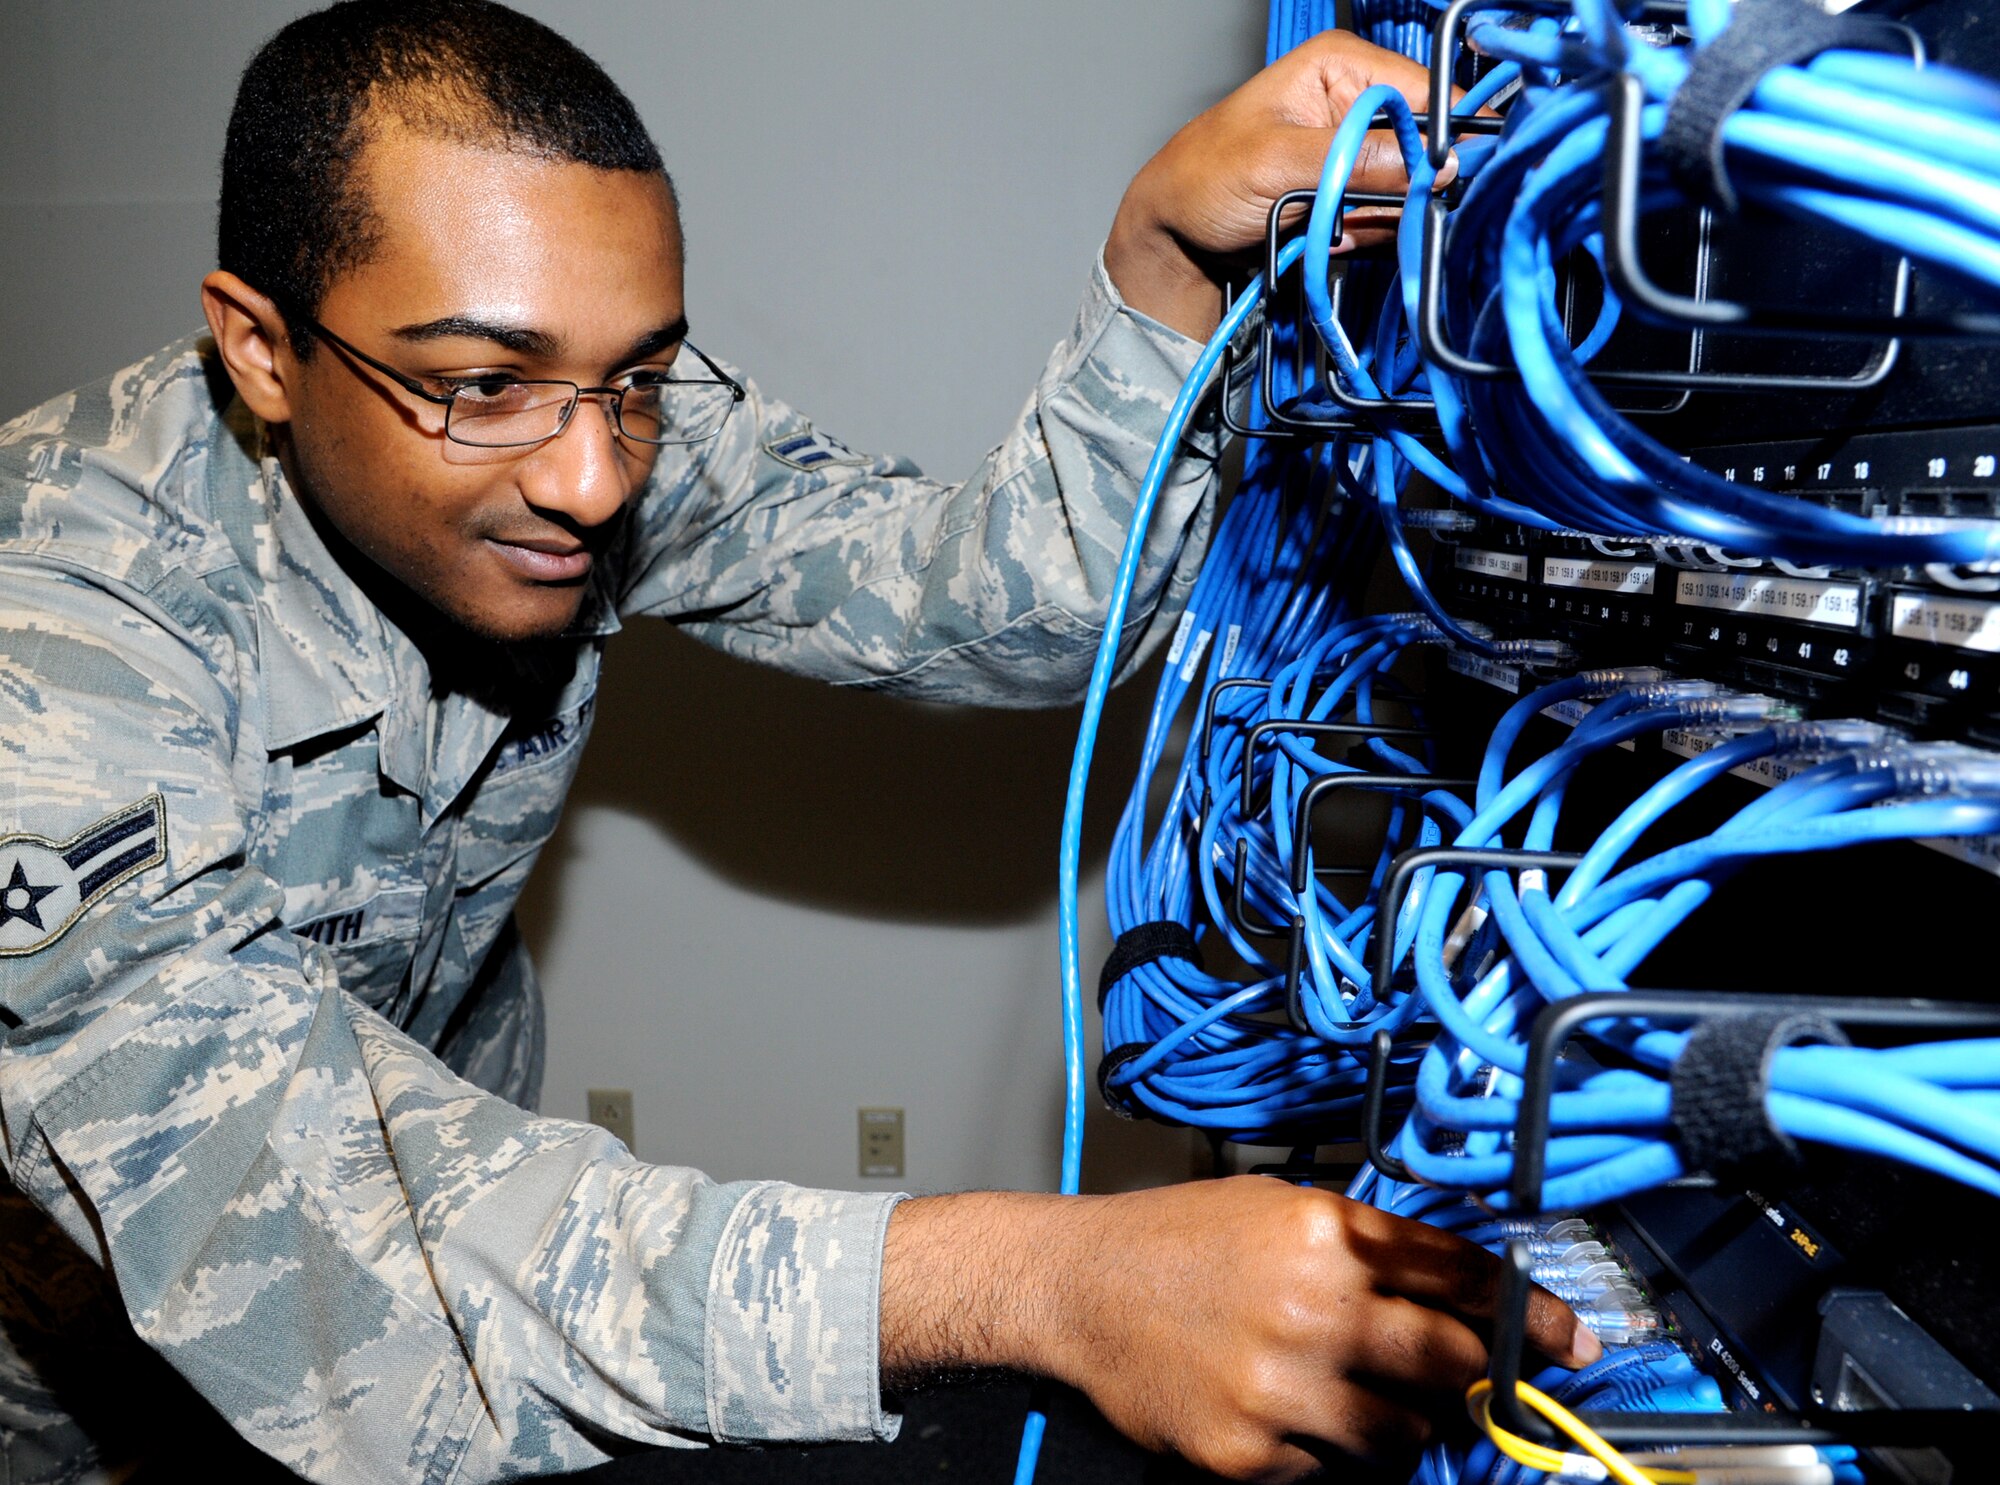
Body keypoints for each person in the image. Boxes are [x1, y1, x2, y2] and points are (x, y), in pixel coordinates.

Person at [0, 3, 1596, 1481]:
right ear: (261, 349)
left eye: (634, 376)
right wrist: (1055, 1278)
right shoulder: (52, 629)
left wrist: (1161, 257)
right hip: (73, 1393)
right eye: (482, 382)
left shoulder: (576, 420)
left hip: (480, 1322)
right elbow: (303, 1217)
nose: (597, 479)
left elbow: (992, 601)